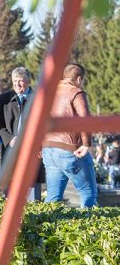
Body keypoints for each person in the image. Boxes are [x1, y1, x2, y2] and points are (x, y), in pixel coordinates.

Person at [42, 63, 97, 207]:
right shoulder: (76, 92)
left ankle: (44, 221)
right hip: (70, 149)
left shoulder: (49, 92)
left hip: (49, 149)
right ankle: (89, 222)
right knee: (88, 193)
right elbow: (84, 120)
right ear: (79, 79)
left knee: (52, 197)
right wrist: (86, 144)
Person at [0, 67, 44, 200]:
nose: (17, 84)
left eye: (21, 81)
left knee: (32, 189)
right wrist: (10, 139)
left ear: (28, 81)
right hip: (11, 149)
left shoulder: (38, 98)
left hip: (32, 150)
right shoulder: (4, 99)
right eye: (15, 81)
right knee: (10, 190)